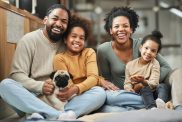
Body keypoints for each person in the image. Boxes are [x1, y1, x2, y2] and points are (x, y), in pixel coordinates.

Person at [0, 4, 105, 120]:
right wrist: (40, 86)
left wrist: (100, 80)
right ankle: (59, 116)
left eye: (64, 21)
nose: (59, 24)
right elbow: (16, 75)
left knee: (99, 93)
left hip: (62, 96)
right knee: (5, 85)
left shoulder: (67, 43)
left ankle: (41, 115)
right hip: (34, 97)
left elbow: (80, 70)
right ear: (45, 20)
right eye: (55, 19)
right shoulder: (29, 40)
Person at [97, 6, 172, 112]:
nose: (121, 29)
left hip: (147, 90)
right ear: (110, 30)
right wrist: (128, 88)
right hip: (124, 94)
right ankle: (150, 104)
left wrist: (144, 83)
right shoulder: (103, 50)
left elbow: (166, 67)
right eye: (116, 26)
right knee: (110, 97)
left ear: (131, 29)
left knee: (161, 88)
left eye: (125, 26)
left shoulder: (142, 45)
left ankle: (147, 104)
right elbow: (106, 80)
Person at [53, 14, 106, 118]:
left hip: (88, 93)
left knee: (102, 96)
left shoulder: (89, 52)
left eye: (81, 38)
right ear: (65, 39)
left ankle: (67, 114)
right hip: (72, 97)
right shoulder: (59, 58)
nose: (77, 40)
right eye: (74, 36)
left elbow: (93, 78)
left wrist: (78, 87)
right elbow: (68, 87)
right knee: (100, 93)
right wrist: (89, 83)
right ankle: (67, 114)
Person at [124, 30, 171, 109]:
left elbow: (154, 83)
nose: (148, 52)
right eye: (146, 48)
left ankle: (160, 102)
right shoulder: (130, 65)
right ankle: (151, 107)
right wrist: (129, 88)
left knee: (164, 86)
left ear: (156, 54)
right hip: (141, 93)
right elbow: (127, 82)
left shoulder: (155, 63)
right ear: (140, 48)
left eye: (153, 51)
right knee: (144, 89)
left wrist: (143, 81)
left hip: (154, 92)